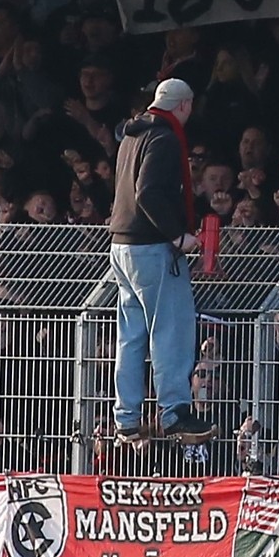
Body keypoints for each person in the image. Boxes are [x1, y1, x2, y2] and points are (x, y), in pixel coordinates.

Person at [107, 78, 211, 443]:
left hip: (122, 244)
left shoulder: (131, 136)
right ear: (183, 105)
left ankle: (126, 416)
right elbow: (148, 193)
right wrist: (177, 235)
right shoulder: (164, 138)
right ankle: (174, 411)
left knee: (131, 335)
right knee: (171, 329)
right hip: (152, 247)